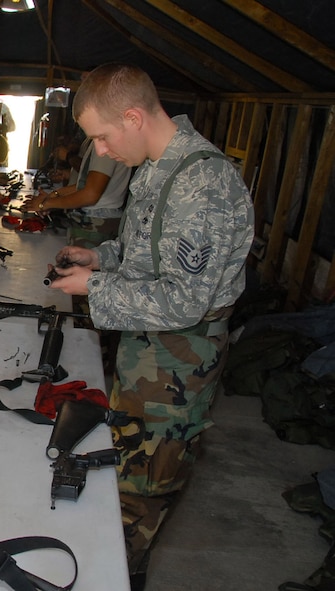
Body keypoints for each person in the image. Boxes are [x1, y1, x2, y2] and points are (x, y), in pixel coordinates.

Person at [47, 63, 253, 588]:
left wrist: (92, 289)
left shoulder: (200, 185)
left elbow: (184, 300)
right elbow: (146, 254)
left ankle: (120, 577)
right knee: (126, 466)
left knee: (141, 493)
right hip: (150, 353)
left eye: (102, 137)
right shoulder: (160, 167)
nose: (101, 151)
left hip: (177, 364)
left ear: (134, 117)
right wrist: (99, 258)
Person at [23, 136, 131, 248]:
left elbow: (91, 194)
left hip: (97, 224)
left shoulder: (106, 140)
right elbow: (87, 184)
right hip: (91, 221)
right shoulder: (96, 140)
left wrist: (46, 204)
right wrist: (54, 196)